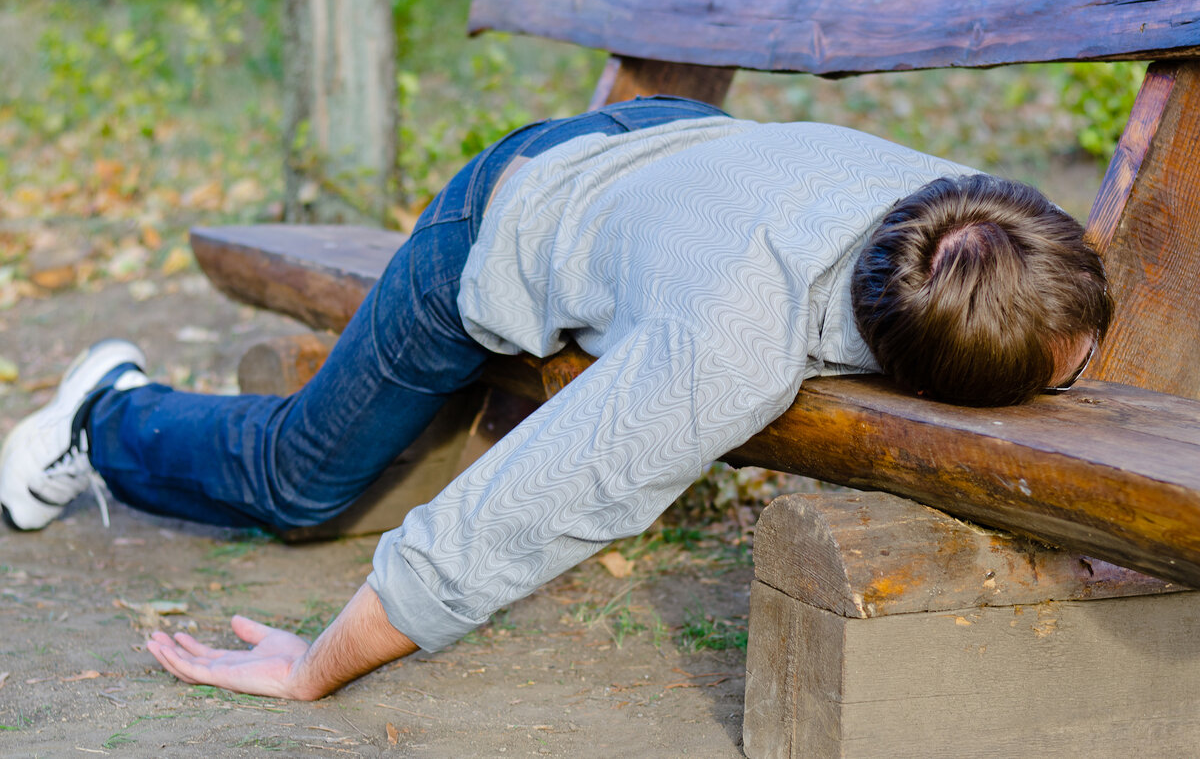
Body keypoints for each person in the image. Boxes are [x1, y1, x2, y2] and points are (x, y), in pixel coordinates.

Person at [0, 97, 1112, 700]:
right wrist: (313, 669)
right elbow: (511, 519)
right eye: (1073, 365)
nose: (1090, 363)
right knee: (304, 484)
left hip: (662, 156)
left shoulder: (958, 222)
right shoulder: (724, 350)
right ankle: (106, 411)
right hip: (504, 215)